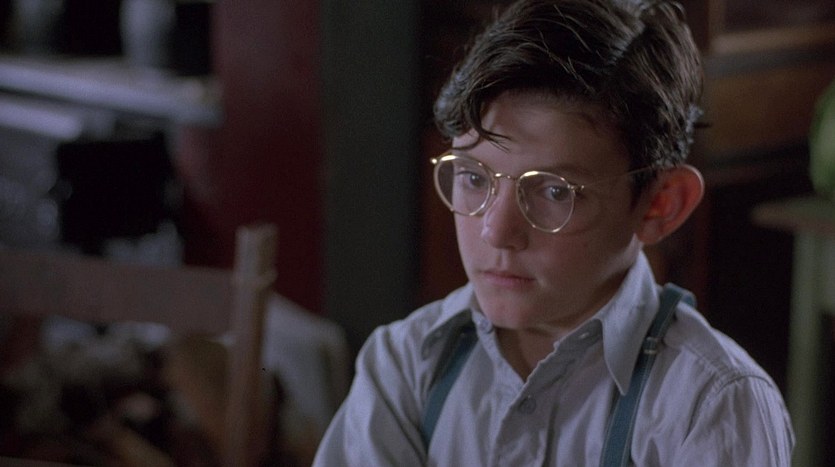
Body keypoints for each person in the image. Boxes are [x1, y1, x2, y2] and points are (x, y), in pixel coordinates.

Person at [313, 0, 795, 465]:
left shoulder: (710, 407)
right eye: (474, 178)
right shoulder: (406, 366)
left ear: (660, 205)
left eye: (554, 191)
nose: (497, 232)